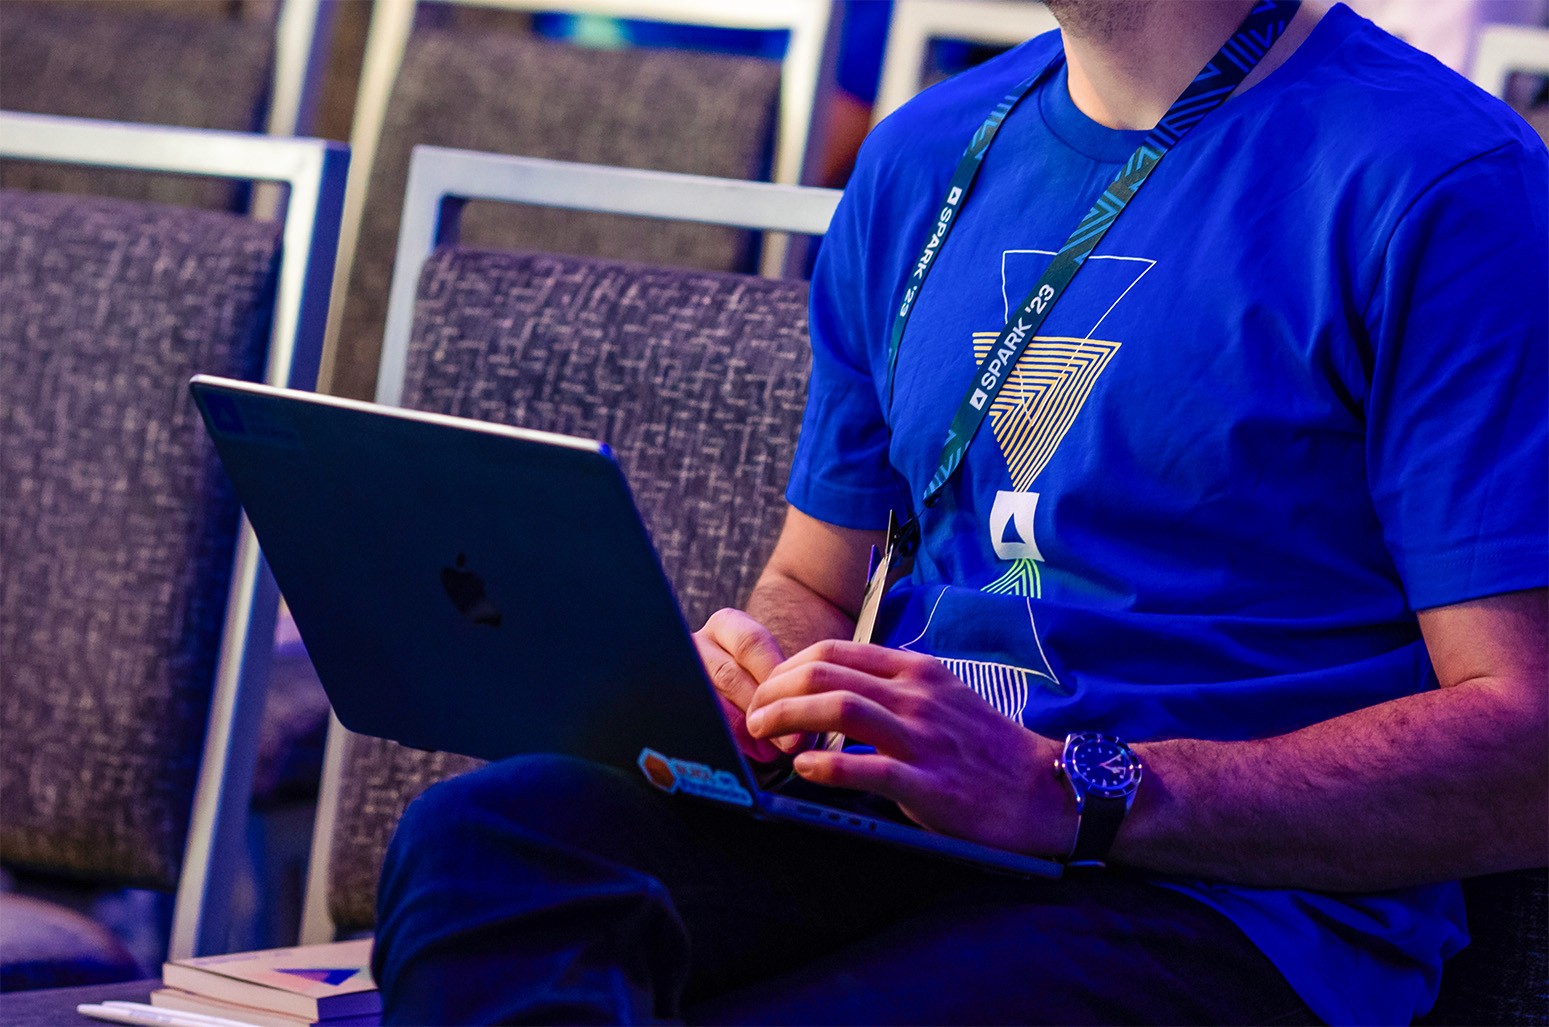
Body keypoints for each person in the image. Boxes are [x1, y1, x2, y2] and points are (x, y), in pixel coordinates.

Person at [371, 0, 1548, 1023]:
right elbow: (815, 580)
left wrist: (1065, 789)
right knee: (486, 842)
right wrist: (763, 674)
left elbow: (1526, 747)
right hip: (897, 825)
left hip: (1216, 901)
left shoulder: (1442, 183)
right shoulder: (924, 155)